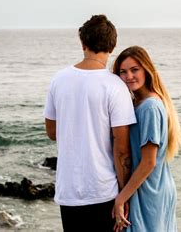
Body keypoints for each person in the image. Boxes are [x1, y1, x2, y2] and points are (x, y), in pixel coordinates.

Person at [43, 15, 137, 232]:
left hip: (68, 193)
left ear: (82, 43)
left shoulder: (59, 79)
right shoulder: (115, 86)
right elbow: (122, 151)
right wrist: (124, 195)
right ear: (112, 46)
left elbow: (52, 132)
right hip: (102, 191)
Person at [112, 46, 181, 232]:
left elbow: (148, 162)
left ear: (146, 70)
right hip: (150, 185)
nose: (129, 76)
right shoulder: (139, 103)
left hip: (150, 190)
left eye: (135, 70)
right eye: (123, 72)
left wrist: (121, 198)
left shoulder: (150, 107)